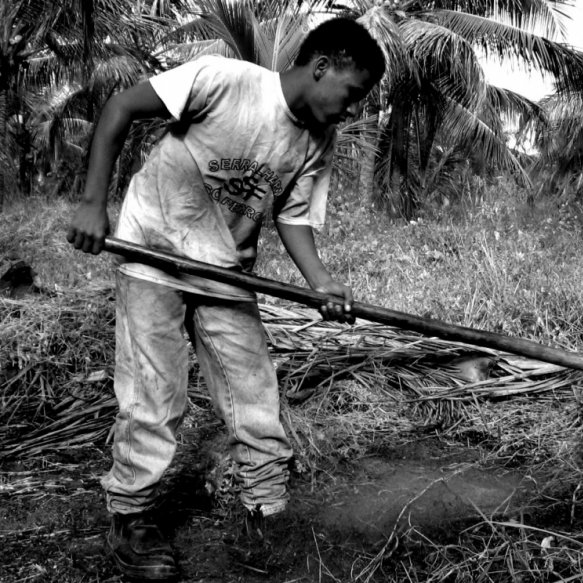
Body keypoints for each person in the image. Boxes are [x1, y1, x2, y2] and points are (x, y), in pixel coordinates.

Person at [67, 16, 385, 581]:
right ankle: (131, 516)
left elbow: (290, 216)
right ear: (322, 68)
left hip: (227, 274)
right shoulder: (224, 81)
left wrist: (320, 283)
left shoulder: (316, 137)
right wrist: (94, 203)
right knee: (154, 397)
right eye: (353, 92)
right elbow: (120, 107)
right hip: (154, 255)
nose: (352, 108)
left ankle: (266, 515)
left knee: (254, 393)